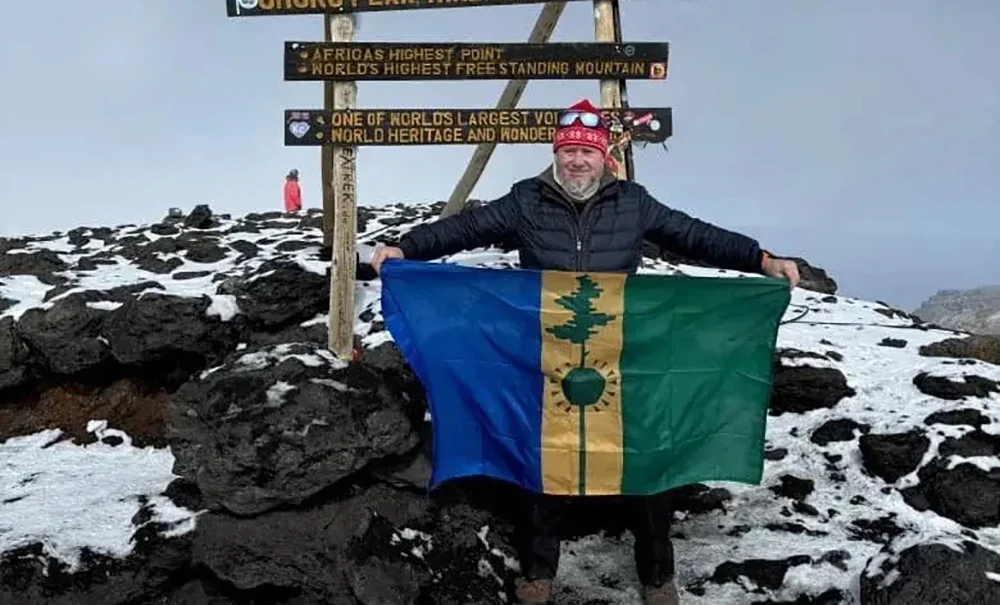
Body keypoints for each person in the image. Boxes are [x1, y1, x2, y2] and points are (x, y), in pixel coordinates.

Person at [371, 98, 800, 605]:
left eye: (586, 152)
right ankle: (538, 573)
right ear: (557, 154)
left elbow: (692, 234)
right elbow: (466, 229)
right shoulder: (526, 200)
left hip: (622, 351)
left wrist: (760, 258)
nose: (577, 160)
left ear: (604, 158)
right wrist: (408, 248)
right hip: (547, 352)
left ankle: (658, 575)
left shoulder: (633, 202)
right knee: (544, 458)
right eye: (568, 151)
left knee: (645, 455)